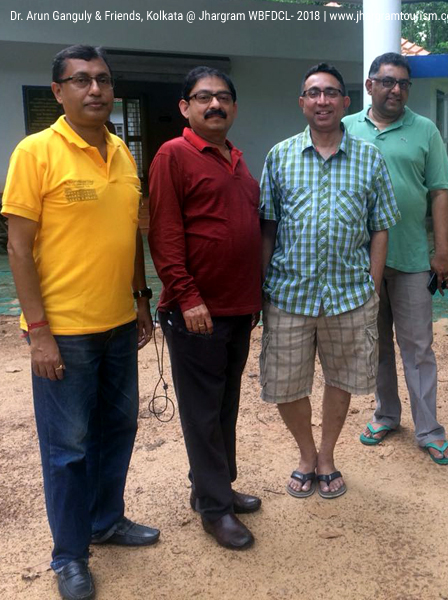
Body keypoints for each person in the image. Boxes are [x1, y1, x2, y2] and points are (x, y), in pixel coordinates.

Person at [2, 44, 159, 600]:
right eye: (82, 80)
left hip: (118, 324)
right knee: (68, 447)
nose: (96, 89)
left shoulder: (122, 153)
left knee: (118, 429)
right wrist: (39, 331)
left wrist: (141, 299)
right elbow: (18, 249)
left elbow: (130, 234)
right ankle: (69, 555)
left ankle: (105, 521)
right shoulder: (35, 152)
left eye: (104, 80)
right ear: (58, 91)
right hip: (64, 332)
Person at [260, 63, 400, 499]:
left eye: (331, 93)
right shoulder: (279, 156)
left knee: (342, 380)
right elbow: (268, 226)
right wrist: (261, 286)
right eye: (314, 93)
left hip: (349, 296)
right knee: (285, 384)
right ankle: (305, 455)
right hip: (288, 294)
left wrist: (372, 286)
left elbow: (381, 227)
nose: (322, 101)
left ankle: (326, 457)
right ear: (302, 102)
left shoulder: (369, 158)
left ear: (346, 102)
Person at [148, 67, 262, 550]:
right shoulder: (173, 155)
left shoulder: (237, 159)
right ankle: (215, 510)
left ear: (233, 107)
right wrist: (187, 295)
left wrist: (253, 299)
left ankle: (215, 489)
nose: (215, 105)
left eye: (223, 97)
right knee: (201, 412)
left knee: (224, 406)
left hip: (238, 308)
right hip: (197, 312)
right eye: (203, 97)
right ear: (185, 107)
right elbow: (164, 233)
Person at [343, 53, 448, 465]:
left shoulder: (425, 130)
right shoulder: (346, 128)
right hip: (360, 262)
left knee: (419, 347)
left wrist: (442, 251)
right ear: (370, 85)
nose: (396, 90)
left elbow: (440, 192)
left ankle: (429, 429)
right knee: (375, 344)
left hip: (411, 259)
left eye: (404, 84)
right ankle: (386, 415)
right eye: (388, 82)